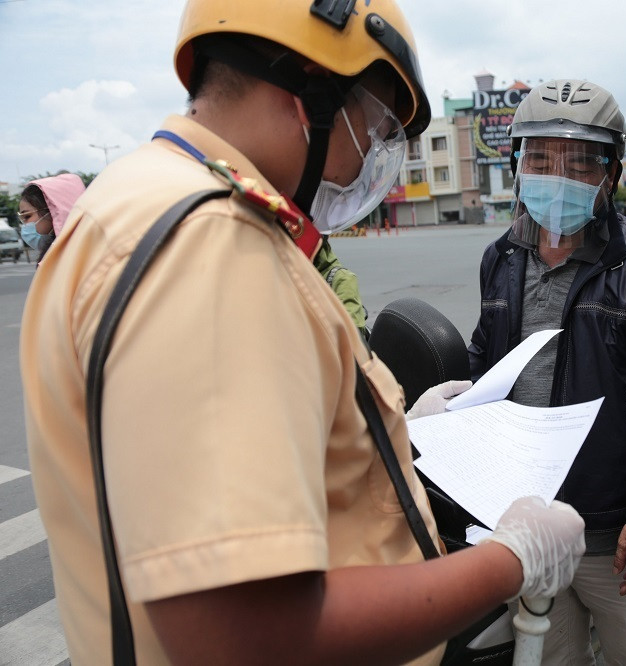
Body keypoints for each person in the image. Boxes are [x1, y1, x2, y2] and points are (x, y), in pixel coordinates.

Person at [20, 2, 585, 664]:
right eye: (374, 125)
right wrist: (510, 560)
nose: (374, 159)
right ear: (307, 96)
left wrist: (398, 426)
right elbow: (237, 634)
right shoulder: (215, 247)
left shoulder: (130, 199)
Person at [468, 80, 626, 665]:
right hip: (528, 525)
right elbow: (485, 360)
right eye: (542, 159)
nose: (557, 177)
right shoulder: (499, 260)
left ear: (612, 172)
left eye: (578, 163)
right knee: (548, 657)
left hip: (614, 537)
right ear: (518, 165)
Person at [16, 172, 86, 264]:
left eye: (27, 216)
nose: (25, 224)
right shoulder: (54, 249)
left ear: (52, 210)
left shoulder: (81, 252)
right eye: (21, 218)